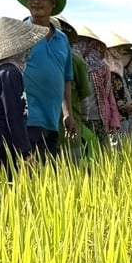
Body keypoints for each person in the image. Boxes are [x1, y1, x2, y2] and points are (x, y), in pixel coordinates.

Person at [15, 0, 76, 161]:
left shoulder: (62, 39)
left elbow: (66, 78)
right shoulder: (19, 33)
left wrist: (68, 115)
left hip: (52, 119)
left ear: (52, 3)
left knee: (47, 173)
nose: (36, 1)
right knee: (30, 173)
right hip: (26, 117)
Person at [0, 17, 49, 180]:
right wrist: (25, 151)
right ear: (16, 49)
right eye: (26, 48)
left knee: (8, 190)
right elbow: (13, 115)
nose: (28, 52)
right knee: (13, 192)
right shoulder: (9, 73)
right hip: (4, 141)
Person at [70, 26, 120, 148]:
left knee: (101, 154)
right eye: (77, 41)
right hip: (77, 117)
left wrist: (114, 119)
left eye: (85, 42)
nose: (81, 45)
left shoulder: (102, 68)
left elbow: (109, 96)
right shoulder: (70, 63)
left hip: (98, 117)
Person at [53, 16, 94, 161]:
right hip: (40, 130)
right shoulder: (32, 60)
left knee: (71, 173)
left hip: (69, 130)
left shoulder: (76, 61)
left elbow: (84, 97)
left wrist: (82, 122)